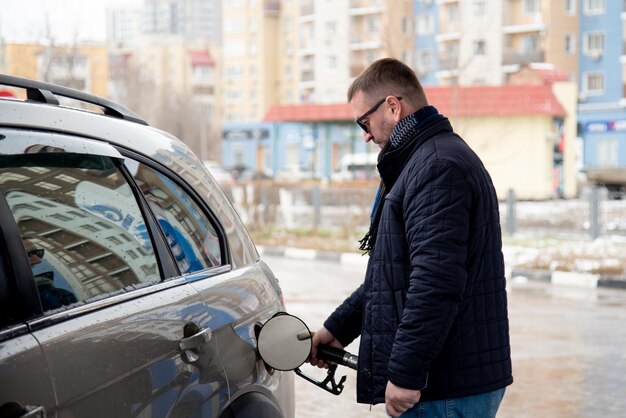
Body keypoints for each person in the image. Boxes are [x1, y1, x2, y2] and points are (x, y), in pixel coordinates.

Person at [309, 58, 513, 417]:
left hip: (444, 388)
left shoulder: (436, 167)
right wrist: (337, 328)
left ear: (392, 105)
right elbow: (393, 275)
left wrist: (405, 373)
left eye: (364, 122)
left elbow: (434, 283)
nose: (366, 134)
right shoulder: (422, 162)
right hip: (446, 384)